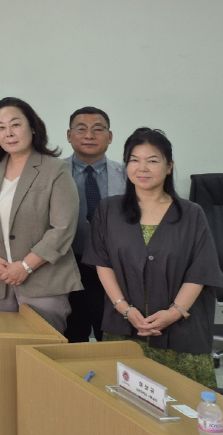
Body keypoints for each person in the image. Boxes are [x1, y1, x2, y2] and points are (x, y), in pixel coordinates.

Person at [84, 128, 223, 387]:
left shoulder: (192, 213)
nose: (142, 168)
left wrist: (174, 313)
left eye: (153, 160)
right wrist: (124, 309)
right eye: (134, 160)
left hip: (181, 332)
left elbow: (200, 270)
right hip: (124, 327)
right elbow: (103, 263)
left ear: (169, 166)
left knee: (186, 409)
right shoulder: (108, 209)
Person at [0, 97, 81, 333]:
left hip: (44, 282)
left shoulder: (55, 169)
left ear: (32, 126)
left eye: (15, 124)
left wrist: (26, 266)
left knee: (41, 353)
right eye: (0, 127)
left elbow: (62, 227)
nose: (8, 133)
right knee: (4, 354)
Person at [63, 107, 126, 343]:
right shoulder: (51, 173)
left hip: (112, 268)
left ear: (110, 136)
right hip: (67, 265)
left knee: (109, 335)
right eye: (81, 128)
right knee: (71, 335)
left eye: (98, 129)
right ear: (69, 135)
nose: (89, 135)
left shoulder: (128, 175)